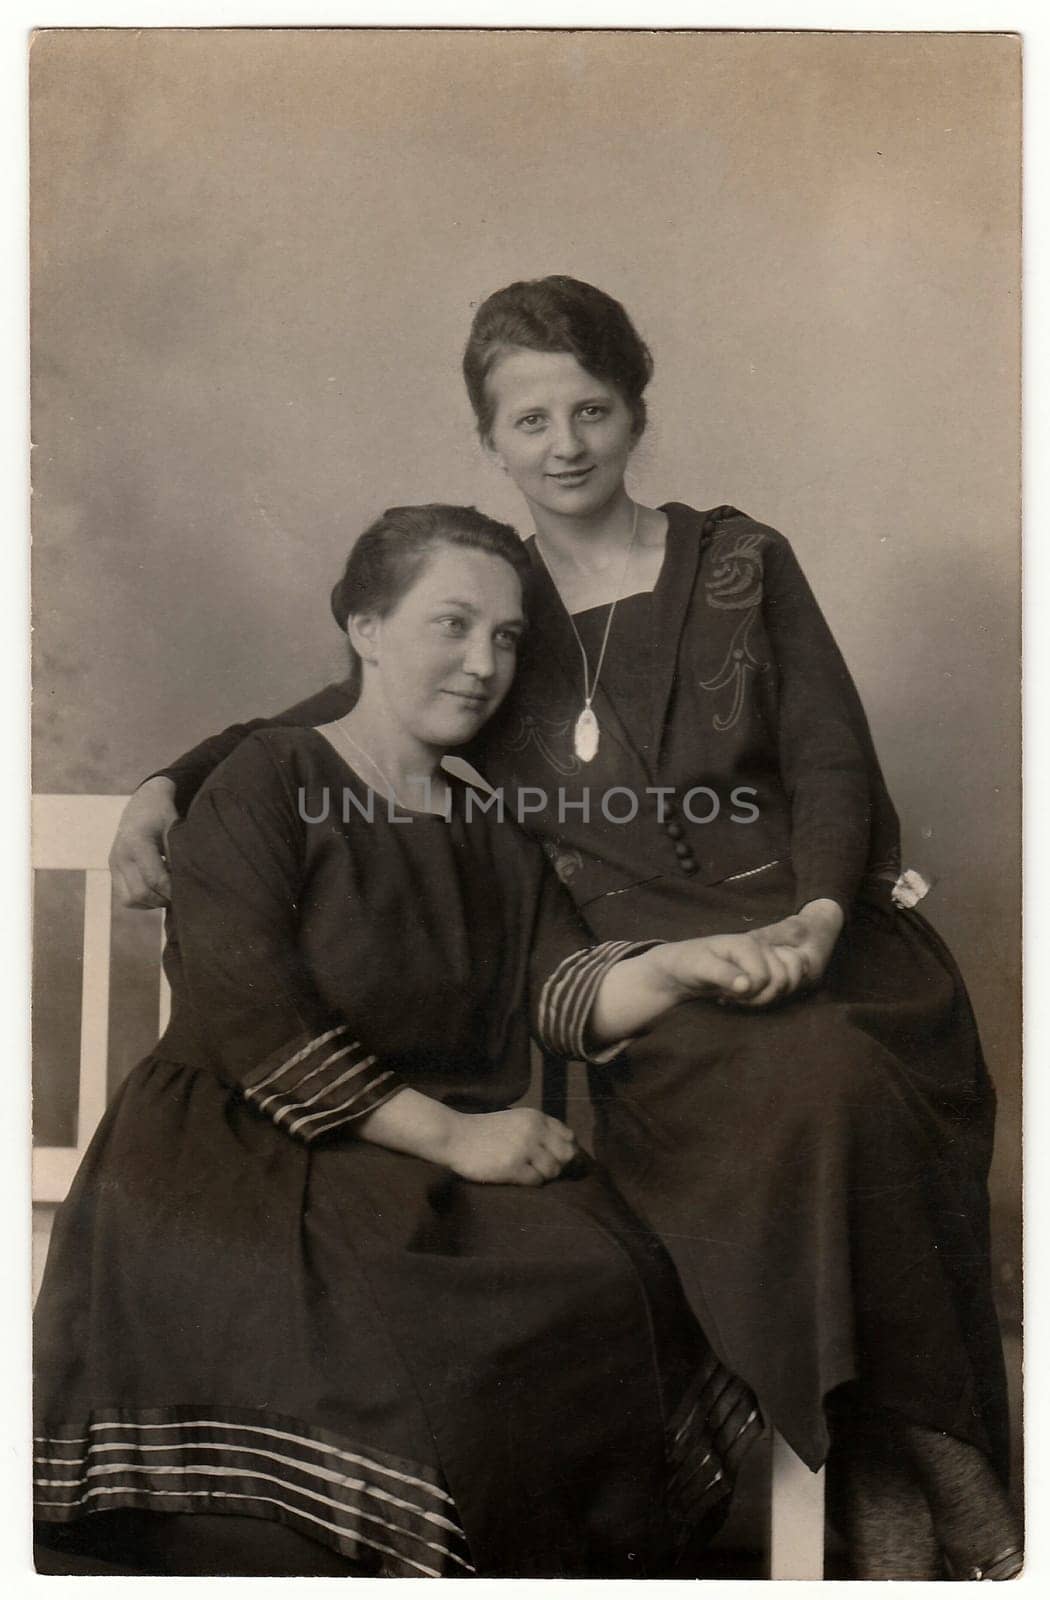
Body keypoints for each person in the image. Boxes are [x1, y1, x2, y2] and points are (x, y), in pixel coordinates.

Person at [108, 279, 1021, 1579]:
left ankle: (898, 1467)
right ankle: (926, 1471)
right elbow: (337, 698)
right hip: (651, 988)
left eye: (590, 408)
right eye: (527, 419)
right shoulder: (499, 605)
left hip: (812, 941)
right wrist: (165, 785)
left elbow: (829, 759)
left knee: (841, 1074)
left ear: (633, 407)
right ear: (488, 439)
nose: (564, 445)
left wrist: (819, 916)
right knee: (794, 1098)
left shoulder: (736, 558)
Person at [35, 505, 771, 1579]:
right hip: (245, 1155)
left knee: (608, 1275)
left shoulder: (487, 821)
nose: (484, 664)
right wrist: (455, 1138)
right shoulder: (271, 779)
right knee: (451, 1361)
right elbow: (251, 1013)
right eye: (453, 625)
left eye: (508, 638)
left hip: (415, 1161)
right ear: (365, 628)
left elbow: (560, 987)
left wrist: (675, 966)